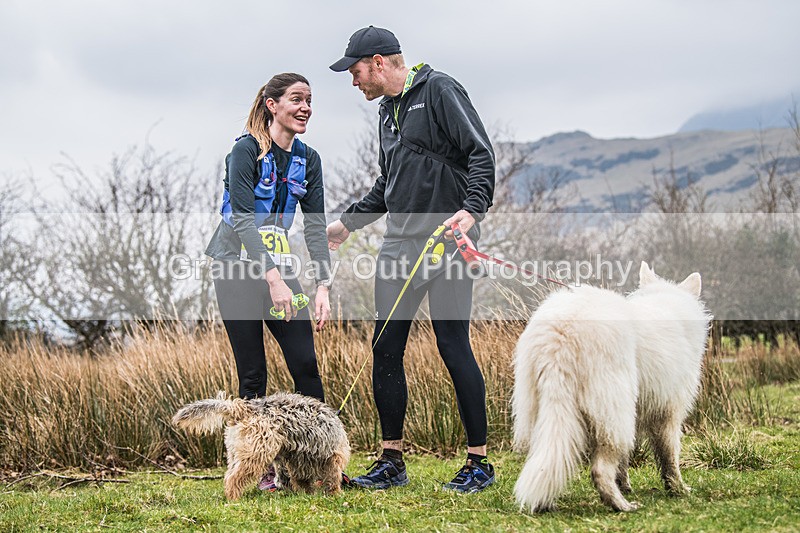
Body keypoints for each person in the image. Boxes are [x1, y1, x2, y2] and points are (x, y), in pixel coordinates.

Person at [327, 26, 496, 493]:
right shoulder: (386, 113)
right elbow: (388, 186)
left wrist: (471, 209)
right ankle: (391, 462)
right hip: (399, 246)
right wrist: (348, 222)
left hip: (445, 241)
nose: (354, 81)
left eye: (356, 71)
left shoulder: (439, 90)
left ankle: (479, 463)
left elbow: (480, 154)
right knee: (385, 349)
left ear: (379, 62)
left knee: (452, 344)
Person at [205, 73, 333, 490]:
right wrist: (274, 280)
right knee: (252, 375)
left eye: (309, 100)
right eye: (296, 99)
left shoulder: (308, 159)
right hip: (236, 268)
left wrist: (322, 287)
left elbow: (314, 229)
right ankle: (258, 469)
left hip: (280, 268)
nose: (305, 107)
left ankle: (318, 464)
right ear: (272, 104)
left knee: (306, 365)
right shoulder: (244, 152)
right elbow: (242, 219)